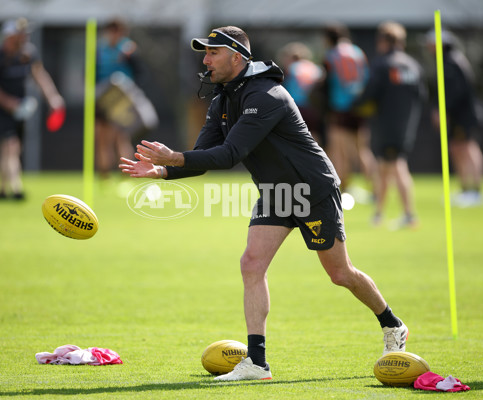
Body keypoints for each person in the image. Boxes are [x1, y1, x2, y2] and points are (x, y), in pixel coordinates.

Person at [120, 26, 408, 381]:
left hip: (311, 190)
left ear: (237, 57)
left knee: (340, 274)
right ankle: (257, 363)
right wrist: (163, 170)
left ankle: (392, 325)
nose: (206, 60)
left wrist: (174, 158)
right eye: (205, 53)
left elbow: (229, 155)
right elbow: (203, 158)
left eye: (212, 53)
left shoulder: (266, 94)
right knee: (251, 263)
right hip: (275, 193)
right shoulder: (222, 100)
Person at [0, 17, 65, 200]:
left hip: (20, 109)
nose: (25, 37)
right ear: (10, 36)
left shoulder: (28, 54)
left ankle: (1, 190)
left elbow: (40, 75)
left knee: (12, 148)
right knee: (10, 145)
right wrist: (8, 102)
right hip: (0, 109)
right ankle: (17, 188)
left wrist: (53, 98)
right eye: (21, 34)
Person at [354, 22, 425, 228]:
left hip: (386, 124)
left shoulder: (382, 64)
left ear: (384, 41)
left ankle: (410, 215)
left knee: (397, 166)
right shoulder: (413, 65)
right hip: (407, 122)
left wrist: (354, 104)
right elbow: (422, 95)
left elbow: (369, 93)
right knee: (386, 167)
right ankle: (378, 214)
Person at [426, 30, 483, 207]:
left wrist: (442, 110)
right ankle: (466, 189)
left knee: (467, 148)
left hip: (464, 115)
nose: (429, 48)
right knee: (457, 149)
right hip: (461, 114)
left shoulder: (451, 62)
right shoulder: (450, 60)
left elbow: (455, 92)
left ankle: (475, 192)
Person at [322, 23, 377, 200]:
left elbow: (326, 82)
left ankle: (344, 190)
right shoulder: (358, 52)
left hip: (340, 107)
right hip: (359, 106)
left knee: (339, 150)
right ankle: (375, 189)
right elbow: (367, 77)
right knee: (362, 150)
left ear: (328, 38)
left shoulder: (331, 55)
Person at [94, 18, 142, 180]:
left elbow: (140, 73)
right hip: (103, 96)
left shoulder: (129, 49)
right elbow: (90, 74)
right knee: (102, 139)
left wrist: (130, 57)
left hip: (122, 97)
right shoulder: (100, 50)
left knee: (121, 138)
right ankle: (104, 177)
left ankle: (126, 176)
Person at [278, 42, 324, 144]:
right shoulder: (315, 68)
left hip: (296, 109)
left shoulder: (291, 69)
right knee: (314, 137)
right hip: (313, 109)